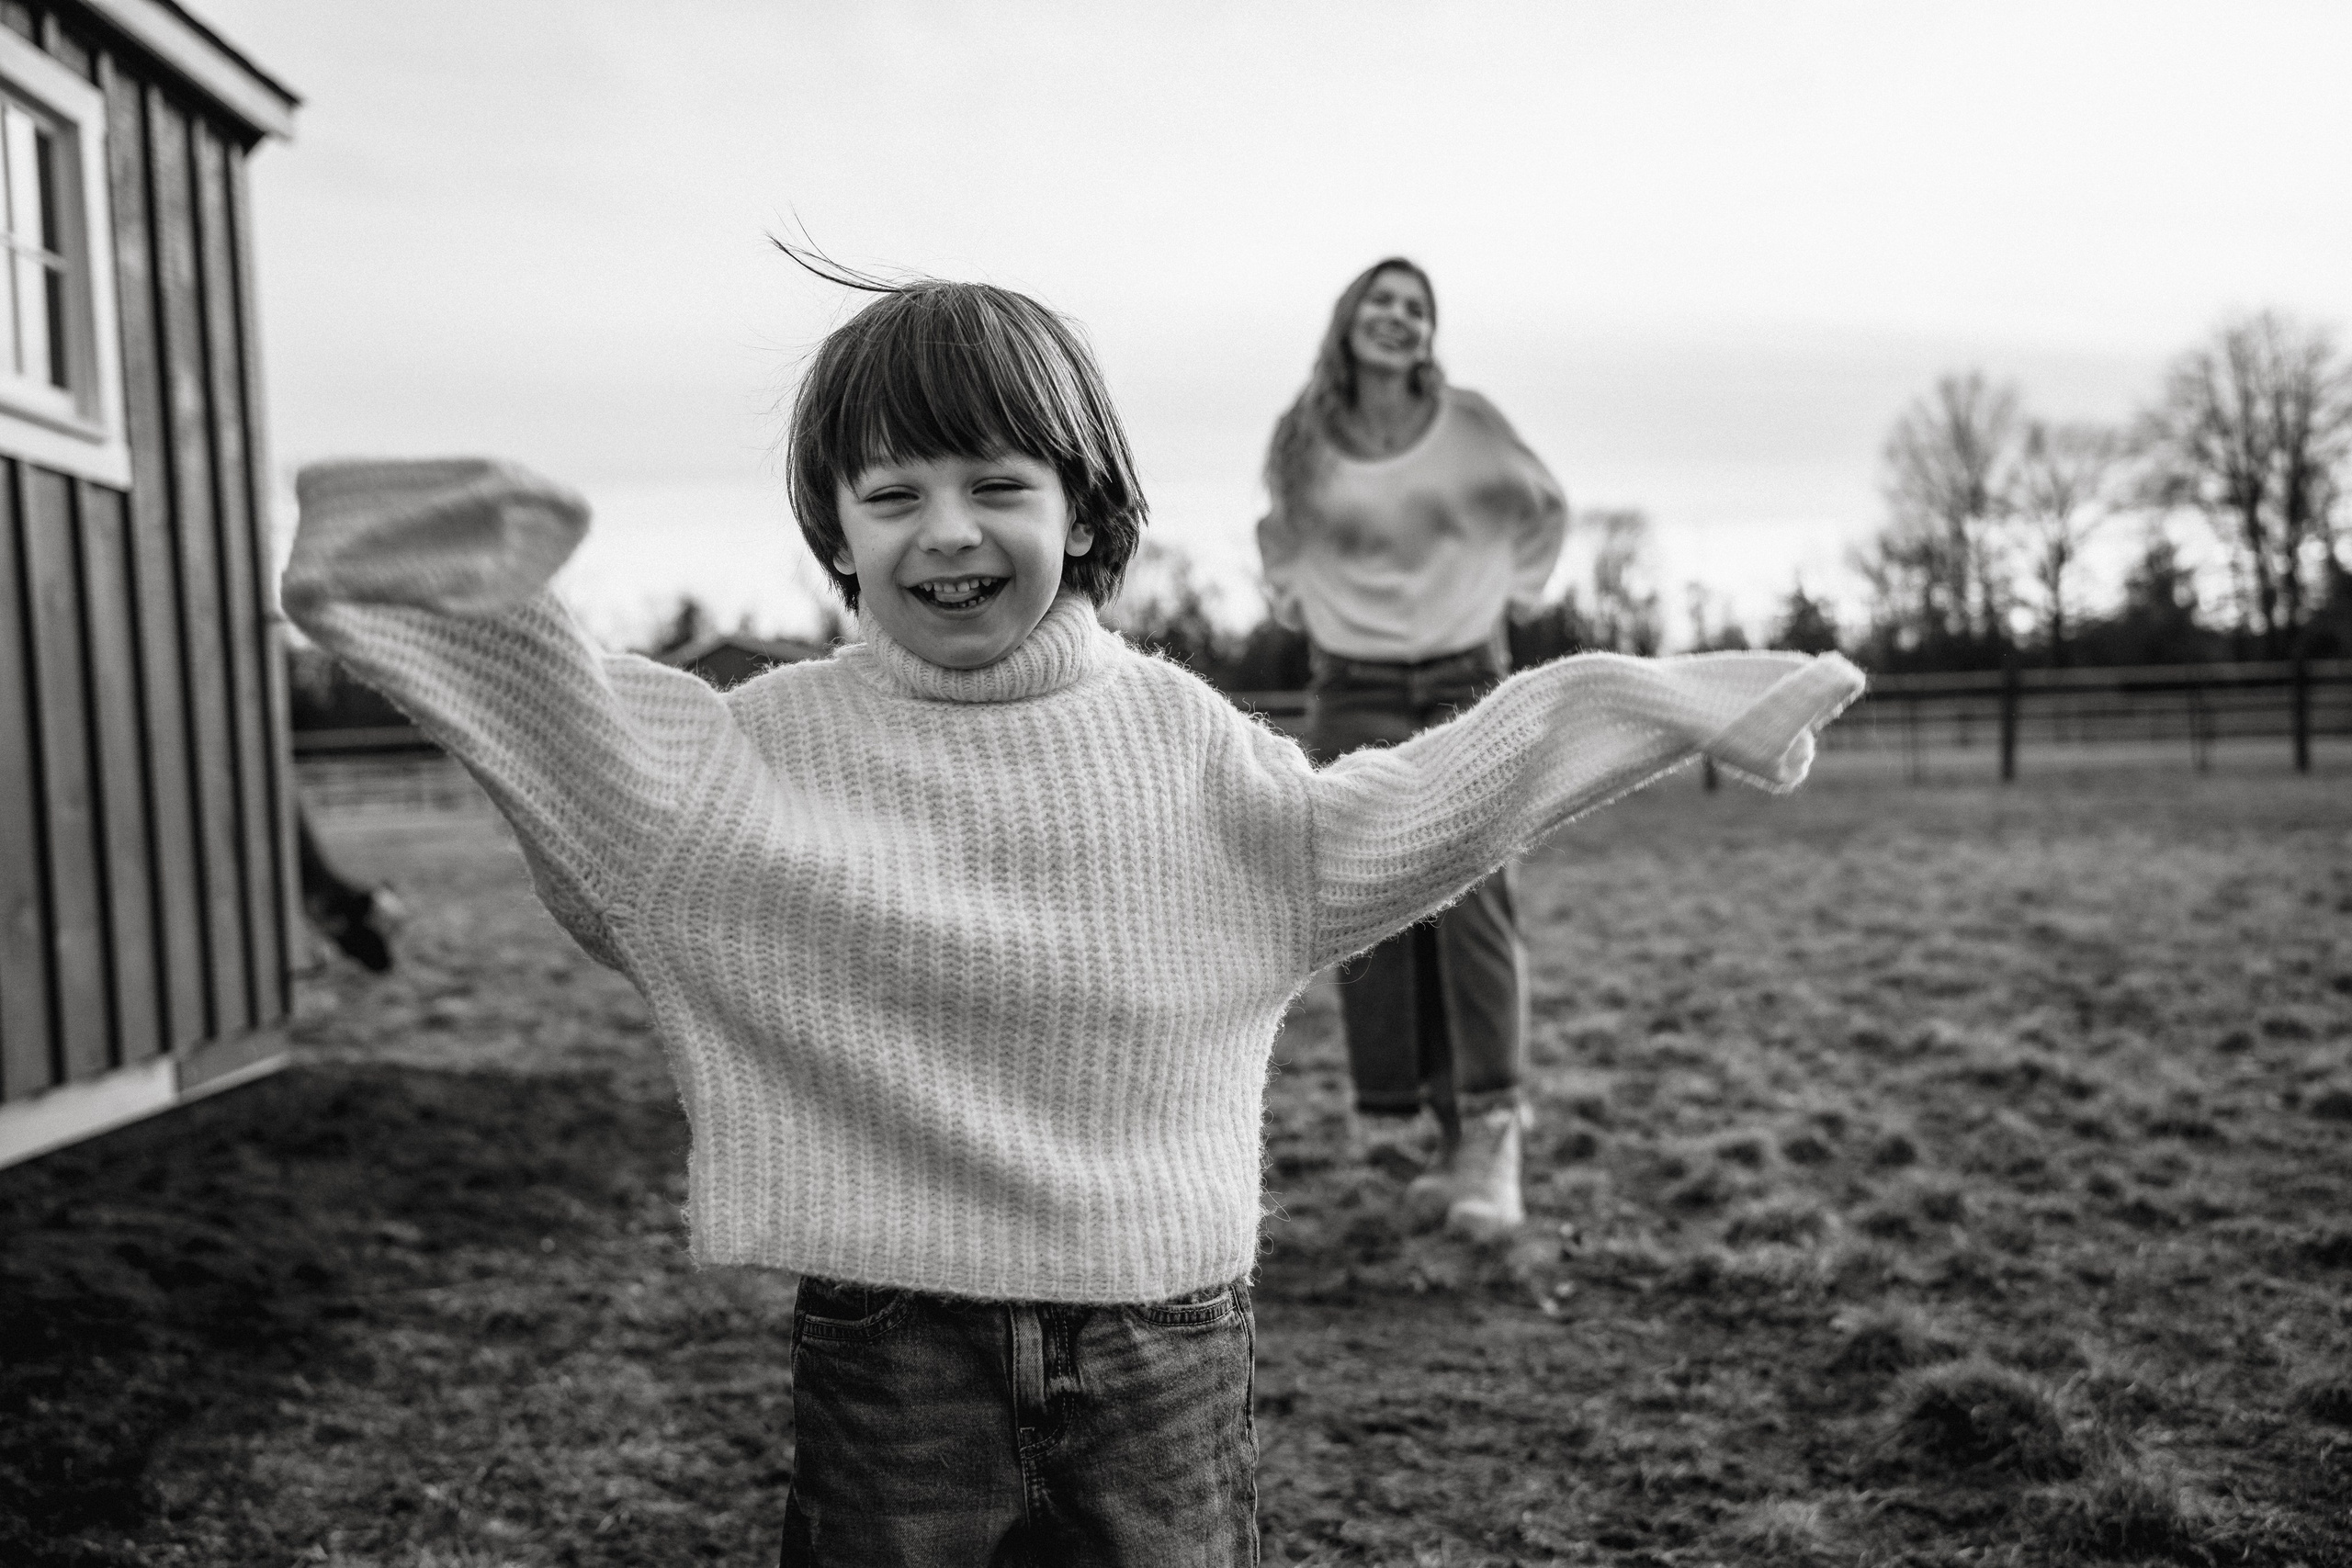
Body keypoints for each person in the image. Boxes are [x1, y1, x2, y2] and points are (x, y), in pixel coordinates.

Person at [280, 276, 1860, 1566]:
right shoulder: (756, 755)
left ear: (1084, 503)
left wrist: (1645, 701)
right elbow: (586, 759)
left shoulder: (1182, 741)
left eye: (997, 485)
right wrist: (449, 584)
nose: (946, 531)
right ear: (834, 529)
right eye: (891, 493)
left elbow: (1401, 814)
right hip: (892, 1346)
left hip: (1167, 1346)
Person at [1257, 257, 1568, 1240]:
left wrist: (1511, 593)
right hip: (1352, 689)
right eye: (1382, 303)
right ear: (1347, 321)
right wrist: (1303, 602)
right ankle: (1416, 1124)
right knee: (1379, 895)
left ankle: (1491, 1133)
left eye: (1417, 310)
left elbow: (1543, 505)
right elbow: (1279, 536)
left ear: (1428, 336)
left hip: (1463, 676)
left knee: (1474, 891)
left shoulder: (1468, 424)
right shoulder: (1303, 439)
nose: (1398, 319)